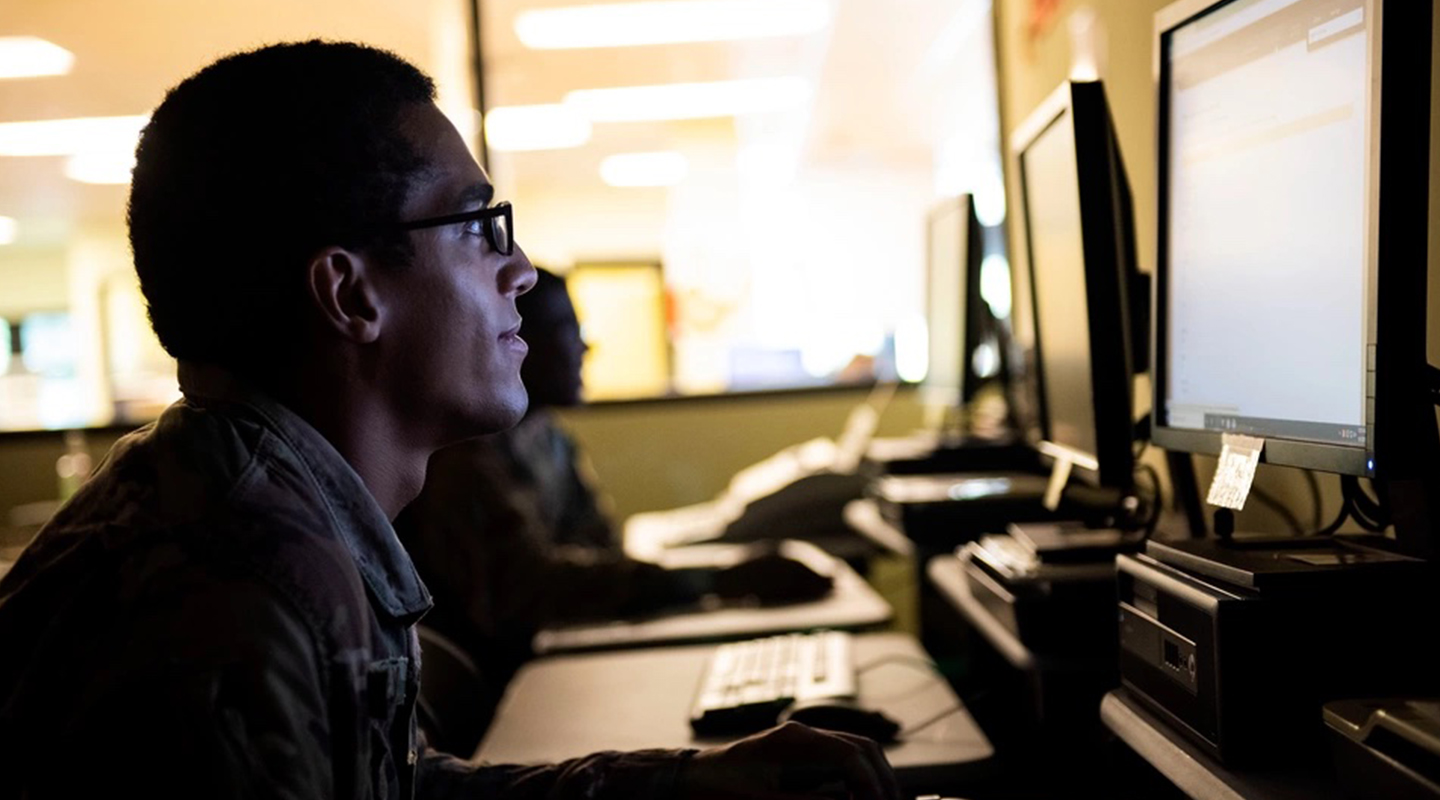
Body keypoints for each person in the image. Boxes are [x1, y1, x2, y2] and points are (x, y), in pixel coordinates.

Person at [0, 41, 901, 799]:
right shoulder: (237, 587)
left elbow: (400, 787)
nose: (518, 272)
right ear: (351, 293)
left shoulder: (270, 507)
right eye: (478, 227)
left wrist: (685, 785)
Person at [396, 268, 833, 725]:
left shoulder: (548, 438)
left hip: (557, 676)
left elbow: (600, 549)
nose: (586, 347)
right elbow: (533, 588)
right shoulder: (464, 459)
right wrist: (717, 580)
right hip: (512, 708)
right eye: (566, 329)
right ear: (511, 339)